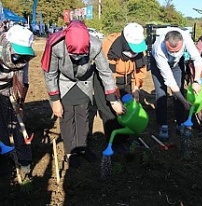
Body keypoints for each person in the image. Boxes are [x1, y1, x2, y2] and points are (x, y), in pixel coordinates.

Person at [41, 20, 125, 168]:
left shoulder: (95, 45)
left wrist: (113, 100)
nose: (77, 58)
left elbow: (105, 72)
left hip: (84, 82)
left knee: (83, 115)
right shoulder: (56, 45)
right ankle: (71, 152)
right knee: (67, 117)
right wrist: (55, 100)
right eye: (73, 54)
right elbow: (50, 73)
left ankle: (82, 147)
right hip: (64, 82)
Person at [93, 22, 147, 145]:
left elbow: (140, 70)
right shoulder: (110, 45)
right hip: (105, 80)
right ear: (125, 41)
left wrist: (136, 87)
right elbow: (107, 75)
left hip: (126, 80)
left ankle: (125, 138)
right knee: (111, 112)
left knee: (126, 109)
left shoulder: (140, 49)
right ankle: (113, 142)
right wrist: (114, 99)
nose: (134, 52)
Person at [150, 28, 202, 140]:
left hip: (177, 63)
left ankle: (180, 123)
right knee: (161, 93)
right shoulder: (159, 50)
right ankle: (163, 124)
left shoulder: (186, 38)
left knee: (179, 90)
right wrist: (184, 102)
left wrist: (197, 80)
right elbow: (169, 80)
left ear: (182, 42)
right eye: (171, 51)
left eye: (176, 51)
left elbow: (197, 59)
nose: (174, 53)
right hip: (159, 64)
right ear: (165, 43)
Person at [0, 25, 35, 175]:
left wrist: (20, 103)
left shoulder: (23, 57)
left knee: (18, 125)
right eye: (17, 55)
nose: (21, 60)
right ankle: (4, 158)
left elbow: (24, 80)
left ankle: (24, 161)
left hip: (10, 88)